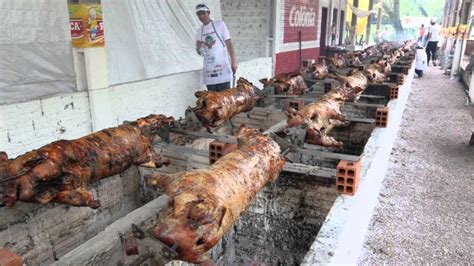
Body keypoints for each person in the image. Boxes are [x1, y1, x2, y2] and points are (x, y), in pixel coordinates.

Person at [195, 3, 238, 92]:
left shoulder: (220, 25)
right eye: (199, 14)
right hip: (209, 72)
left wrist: (233, 60)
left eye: (203, 13)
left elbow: (228, 42)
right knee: (213, 100)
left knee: (225, 99)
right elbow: (200, 53)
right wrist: (199, 48)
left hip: (222, 69)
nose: (201, 16)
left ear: (209, 13)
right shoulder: (199, 31)